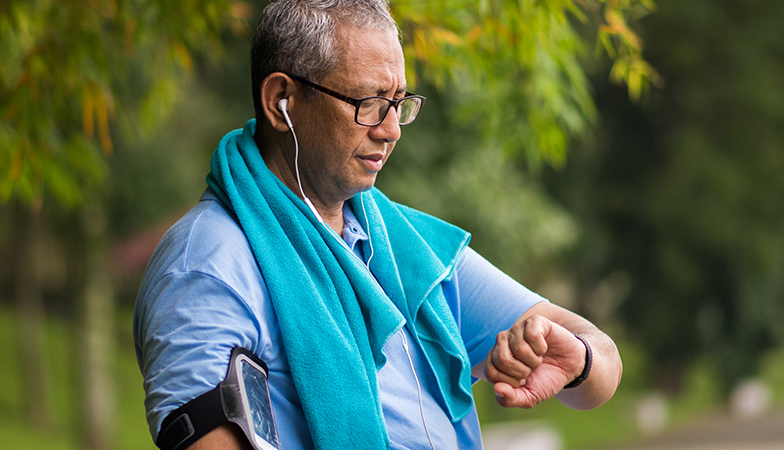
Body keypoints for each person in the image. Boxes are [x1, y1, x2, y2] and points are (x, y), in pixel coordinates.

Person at [131, 0, 622, 449]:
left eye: (399, 103)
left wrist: (575, 361)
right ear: (281, 99)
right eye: (367, 103)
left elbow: (602, 365)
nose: (389, 130)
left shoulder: (404, 245)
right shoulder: (207, 265)